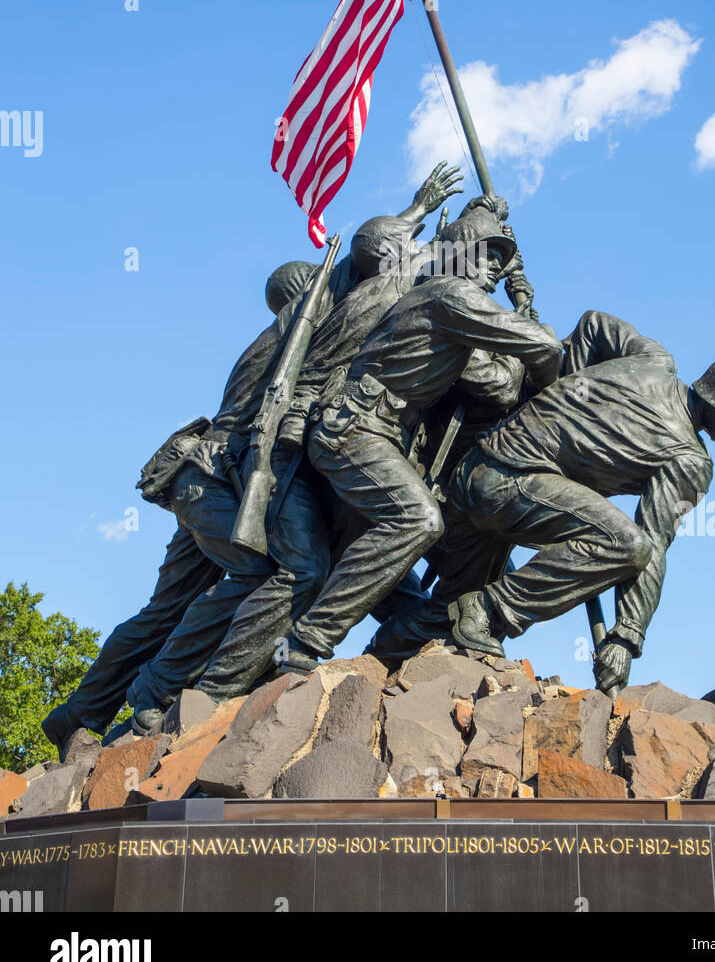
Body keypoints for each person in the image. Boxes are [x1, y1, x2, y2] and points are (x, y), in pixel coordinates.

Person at [42, 164, 462, 749]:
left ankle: (83, 712)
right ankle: (157, 701)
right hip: (219, 477)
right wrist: (427, 222)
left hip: (214, 477)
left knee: (169, 609)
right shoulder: (297, 333)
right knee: (282, 570)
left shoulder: (294, 338)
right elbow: (368, 264)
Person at [279, 207, 562, 674]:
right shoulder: (451, 296)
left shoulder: (447, 302)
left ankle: (401, 653)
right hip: (357, 428)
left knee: (435, 562)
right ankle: (303, 645)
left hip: (382, 436)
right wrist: (545, 384)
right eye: (489, 256)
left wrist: (520, 305)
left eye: (502, 260)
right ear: (461, 256)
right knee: (419, 521)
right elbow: (539, 353)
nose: (495, 267)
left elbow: (498, 376)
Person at [435, 310, 715, 695]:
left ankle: (393, 654)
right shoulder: (691, 460)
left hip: (473, 471)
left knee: (440, 619)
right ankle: (490, 609)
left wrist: (563, 395)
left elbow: (593, 325)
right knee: (626, 545)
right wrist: (626, 637)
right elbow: (650, 545)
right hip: (510, 489)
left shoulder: (653, 359)